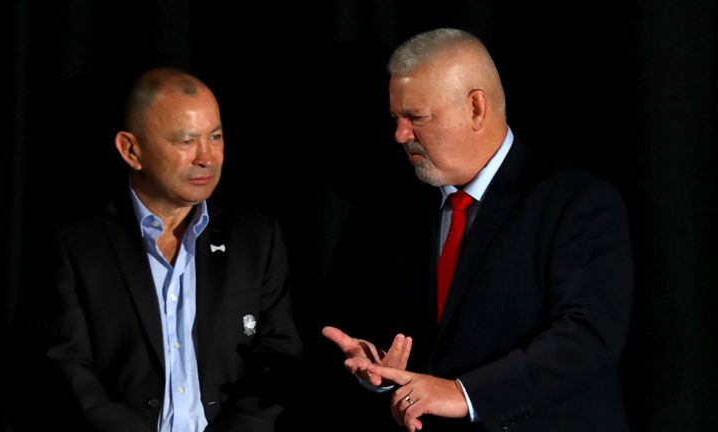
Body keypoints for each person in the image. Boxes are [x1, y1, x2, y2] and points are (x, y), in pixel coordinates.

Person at [323, 28, 633, 432]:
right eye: (397, 119)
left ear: (475, 108)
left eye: (416, 118)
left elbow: (588, 337)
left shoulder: (577, 201)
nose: (400, 135)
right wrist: (384, 371)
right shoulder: (397, 208)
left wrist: (465, 394)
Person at [38, 67, 302, 431]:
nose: (207, 157)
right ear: (131, 150)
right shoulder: (75, 243)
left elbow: (278, 358)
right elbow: (65, 370)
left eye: (216, 136)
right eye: (185, 141)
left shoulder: (256, 237)